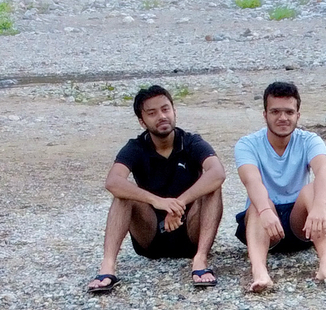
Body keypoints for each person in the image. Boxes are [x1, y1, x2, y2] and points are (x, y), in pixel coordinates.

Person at [86, 85, 225, 293]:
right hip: (150, 236)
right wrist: (158, 201)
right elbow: (113, 181)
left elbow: (217, 172)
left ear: (174, 111)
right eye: (152, 113)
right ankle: (108, 266)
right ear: (142, 121)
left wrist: (178, 204)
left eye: (165, 109)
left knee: (213, 189)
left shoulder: (191, 142)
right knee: (122, 195)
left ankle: (200, 259)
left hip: (190, 232)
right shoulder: (136, 147)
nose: (161, 116)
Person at [234, 81, 326, 292]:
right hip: (262, 222)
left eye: (289, 112)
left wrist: (320, 205)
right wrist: (266, 210)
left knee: (313, 191)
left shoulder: (309, 140)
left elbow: (324, 172)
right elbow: (251, 181)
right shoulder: (247, 144)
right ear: (265, 114)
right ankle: (260, 272)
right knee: (261, 202)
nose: (283, 118)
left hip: (301, 224)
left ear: (298, 115)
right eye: (275, 111)